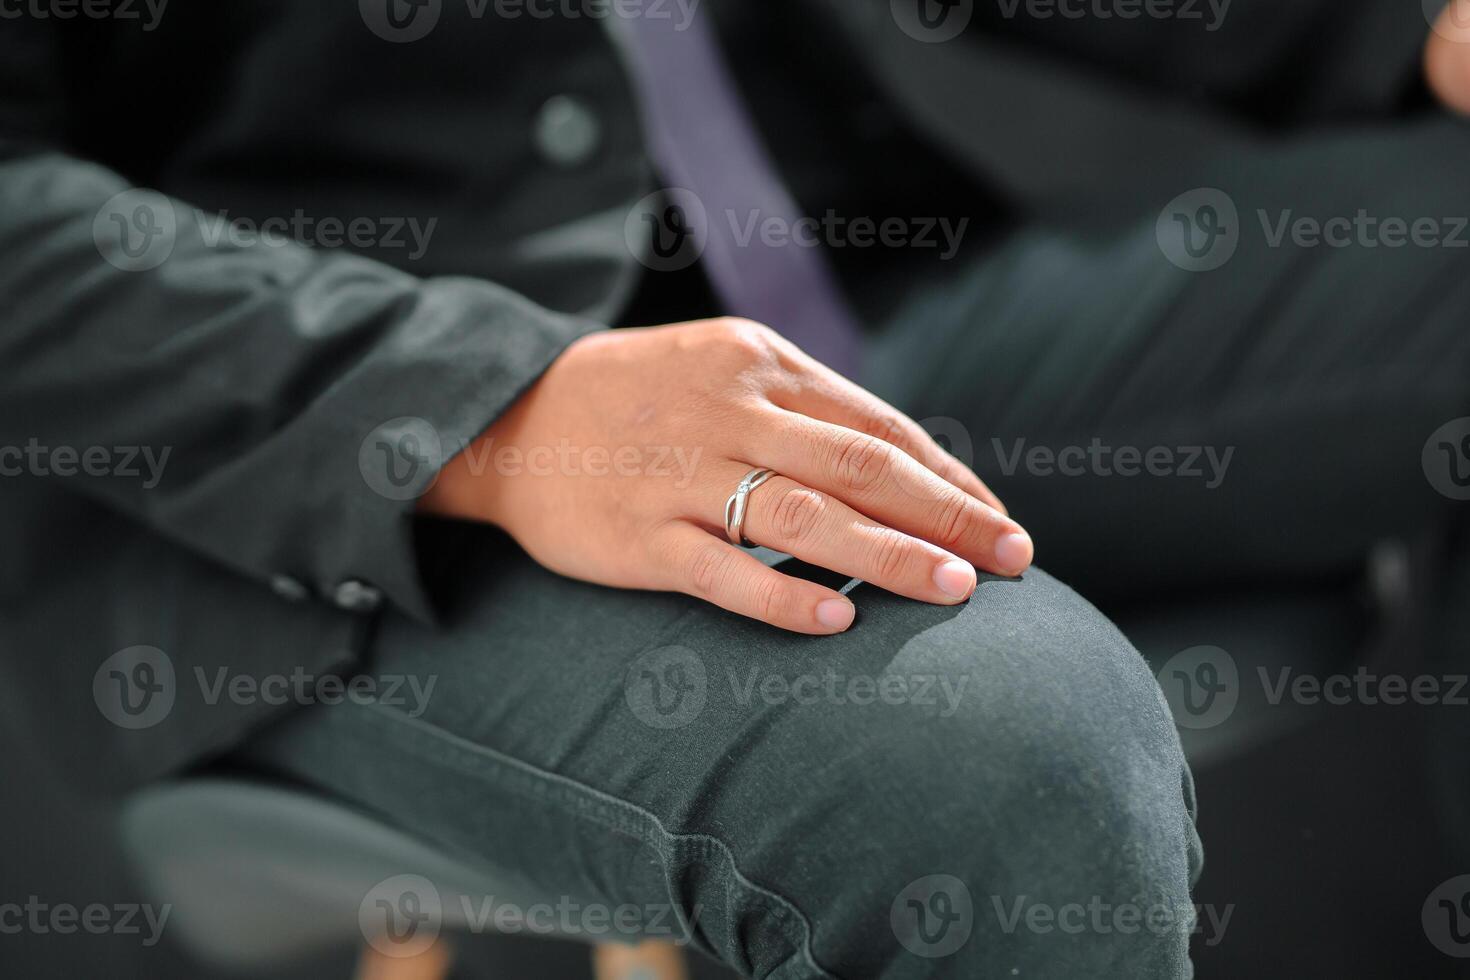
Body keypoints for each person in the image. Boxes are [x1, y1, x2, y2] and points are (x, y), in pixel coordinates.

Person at [3, 1, 1467, 976]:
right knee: (998, 750)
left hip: (845, 320)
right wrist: (479, 407)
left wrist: (1390, 24)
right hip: (299, 483)